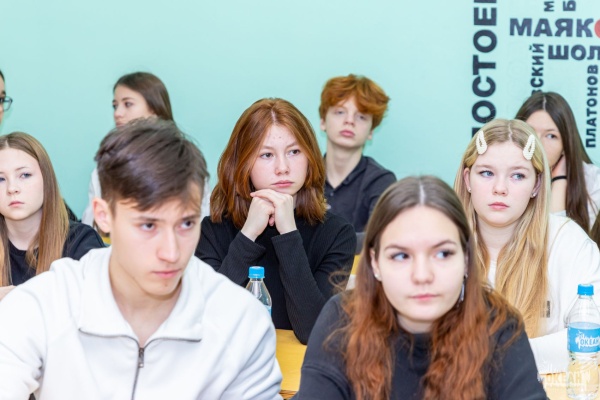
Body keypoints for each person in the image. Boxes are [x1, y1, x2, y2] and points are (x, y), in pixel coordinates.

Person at [0, 119, 282, 399]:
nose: (171, 253)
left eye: (186, 224)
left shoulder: (241, 323)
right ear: (103, 216)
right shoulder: (42, 306)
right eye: (148, 225)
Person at [296, 176, 546, 399]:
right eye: (401, 256)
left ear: (467, 259)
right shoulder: (342, 320)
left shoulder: (499, 326)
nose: (422, 275)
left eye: (443, 254)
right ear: (375, 263)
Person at [196, 98, 356, 344]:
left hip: (300, 367)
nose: (283, 168)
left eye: (294, 152)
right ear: (242, 163)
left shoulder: (337, 234)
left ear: (310, 157)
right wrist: (248, 235)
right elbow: (207, 320)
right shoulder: (212, 230)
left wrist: (289, 234)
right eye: (267, 155)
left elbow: (312, 331)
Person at [455, 118, 600, 373]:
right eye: (486, 173)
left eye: (518, 175)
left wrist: (501, 356)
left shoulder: (569, 243)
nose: (500, 188)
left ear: (536, 184)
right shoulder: (438, 246)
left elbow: (591, 339)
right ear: (468, 180)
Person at [81, 71, 211, 227]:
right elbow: (91, 227)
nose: (117, 113)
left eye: (128, 104)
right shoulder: (105, 168)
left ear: (154, 109)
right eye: (115, 106)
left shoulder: (187, 162)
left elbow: (201, 219)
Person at [0, 132, 104, 301]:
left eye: (24, 175)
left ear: (46, 179)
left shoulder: (80, 241)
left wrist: (17, 299)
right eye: (0, 179)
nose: (12, 188)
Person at [319, 74, 396, 253]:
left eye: (361, 116)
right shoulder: (302, 173)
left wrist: (317, 242)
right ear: (323, 121)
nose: (349, 121)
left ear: (371, 131)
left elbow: (381, 238)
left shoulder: (381, 180)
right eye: (340, 112)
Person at [516, 91, 600, 232]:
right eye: (530, 132)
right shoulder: (503, 175)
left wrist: (560, 181)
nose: (538, 144)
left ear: (565, 144)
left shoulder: (591, 179)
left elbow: (559, 242)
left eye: (551, 136)